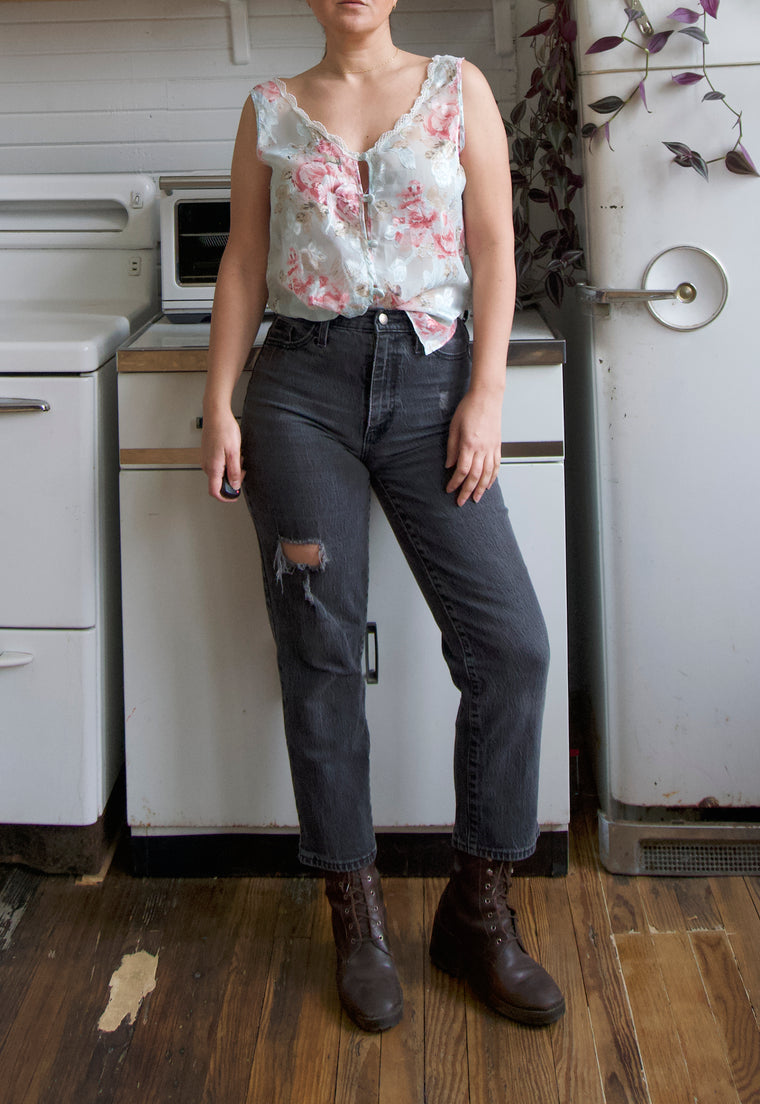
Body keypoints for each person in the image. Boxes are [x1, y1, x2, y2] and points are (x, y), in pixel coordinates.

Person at [200, 0, 565, 1033]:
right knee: (321, 652)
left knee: (510, 647)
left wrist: (484, 395)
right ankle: (354, 915)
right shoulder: (270, 107)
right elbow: (241, 261)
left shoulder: (458, 89)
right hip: (298, 393)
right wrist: (220, 404)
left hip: (431, 386)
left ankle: (477, 914)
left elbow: (494, 248)